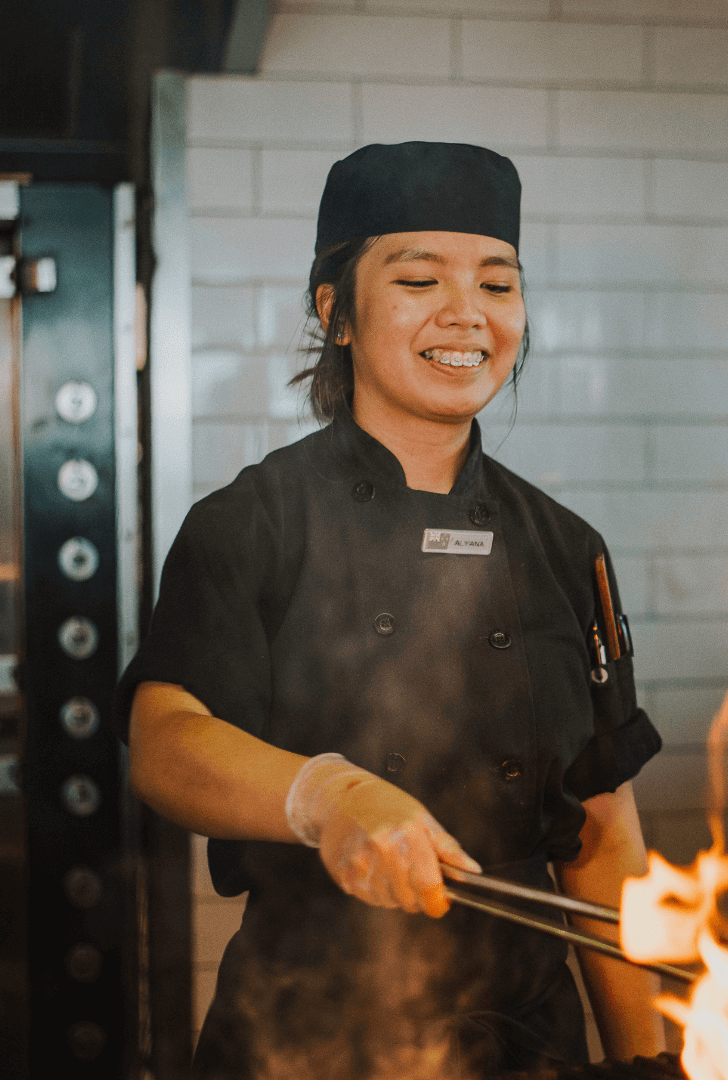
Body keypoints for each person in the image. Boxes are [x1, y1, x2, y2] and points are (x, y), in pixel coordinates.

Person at [120, 142, 665, 1079]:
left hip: (525, 1044)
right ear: (334, 311)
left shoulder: (565, 547)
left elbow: (604, 835)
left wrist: (647, 1063)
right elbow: (164, 740)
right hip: (308, 1037)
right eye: (419, 278)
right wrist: (327, 796)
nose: (467, 314)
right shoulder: (250, 524)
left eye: (498, 285)